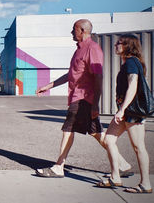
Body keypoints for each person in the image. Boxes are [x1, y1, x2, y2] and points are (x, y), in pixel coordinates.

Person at [35, 19, 131, 178]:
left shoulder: (92, 49)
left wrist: (95, 104)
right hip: (78, 97)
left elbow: (98, 77)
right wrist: (49, 86)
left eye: (74, 29)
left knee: (68, 130)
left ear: (82, 30)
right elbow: (71, 74)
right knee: (96, 133)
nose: (72, 32)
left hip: (84, 99)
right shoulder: (79, 50)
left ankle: (59, 167)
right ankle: (122, 164)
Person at [96, 34, 152, 193]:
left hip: (132, 112)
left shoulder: (132, 63)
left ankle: (145, 184)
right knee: (108, 140)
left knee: (138, 147)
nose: (115, 46)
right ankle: (115, 177)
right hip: (125, 111)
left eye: (119, 43)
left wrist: (122, 109)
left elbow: (133, 85)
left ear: (128, 46)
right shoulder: (128, 63)